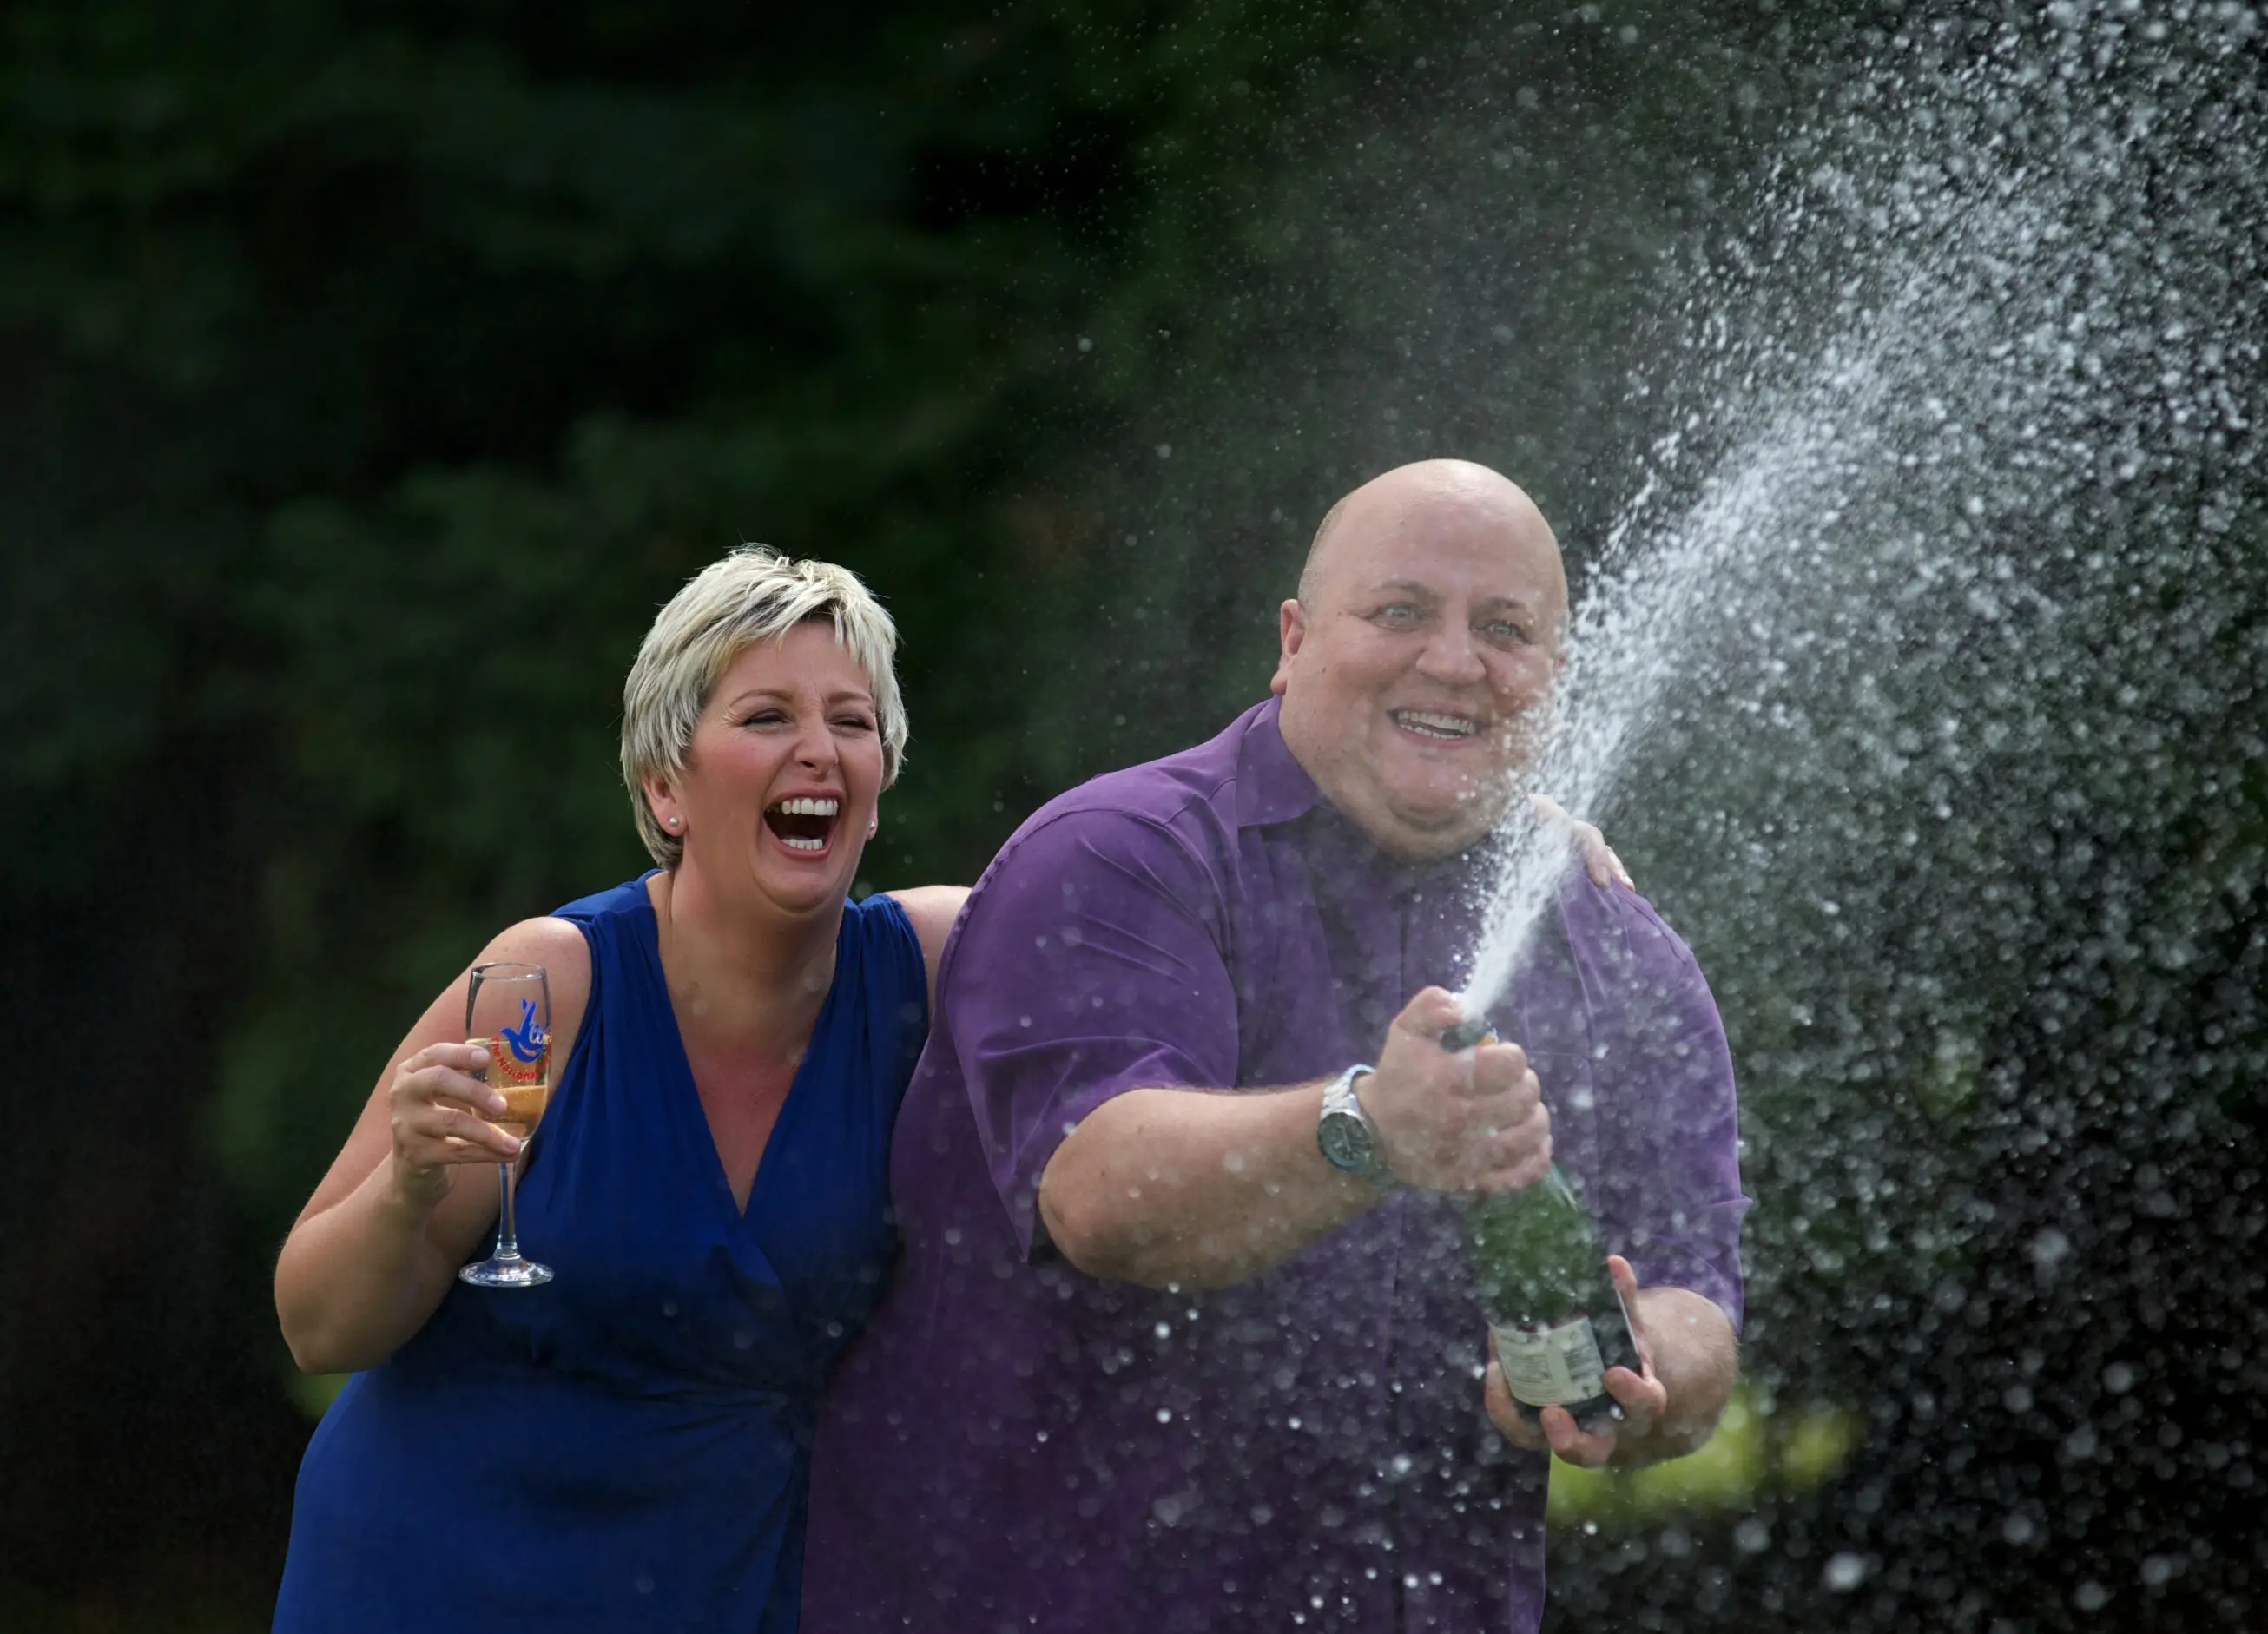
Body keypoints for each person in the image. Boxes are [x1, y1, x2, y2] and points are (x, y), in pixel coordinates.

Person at [803, 459, 1749, 1634]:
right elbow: (1098, 1189)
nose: (1454, 661)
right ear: (1293, 639)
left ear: (1553, 679)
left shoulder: (1622, 954)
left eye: (1504, 630)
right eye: (1399, 611)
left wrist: (1639, 1363)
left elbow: (1698, 1297)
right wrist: (1364, 1126)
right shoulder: (1116, 859)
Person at [270, 547, 968, 1634]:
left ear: (879, 789)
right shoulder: (542, 988)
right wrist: (409, 1189)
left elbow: (1114, 932)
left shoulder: (929, 964)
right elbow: (317, 1324)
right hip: (441, 1580)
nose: (819, 750)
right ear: (666, 787)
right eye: (767, 716)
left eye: (853, 720)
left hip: (722, 1586)